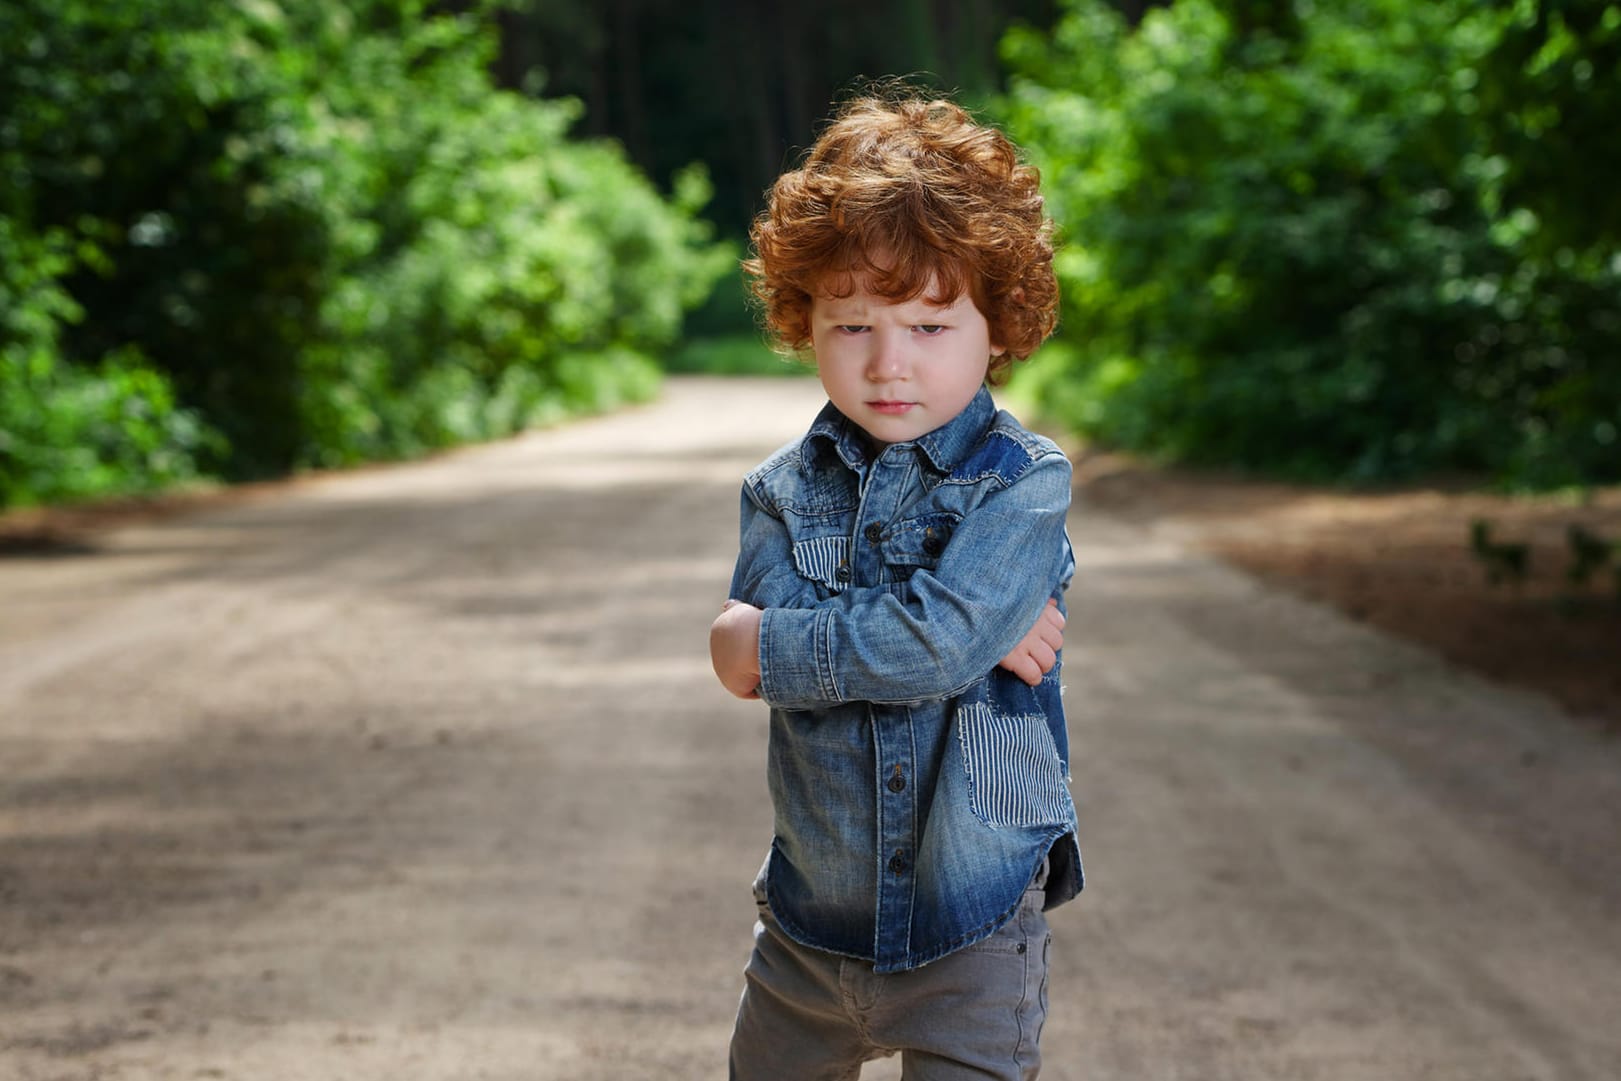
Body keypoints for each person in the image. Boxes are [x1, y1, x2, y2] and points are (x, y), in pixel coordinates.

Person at [709, 90, 1083, 1081]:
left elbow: (765, 650)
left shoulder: (1022, 480)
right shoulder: (780, 491)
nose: (887, 365)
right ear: (806, 323)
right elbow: (770, 672)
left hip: (971, 915)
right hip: (809, 921)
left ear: (995, 326)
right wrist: (971, 629)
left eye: (927, 326)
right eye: (851, 326)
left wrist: (777, 643)